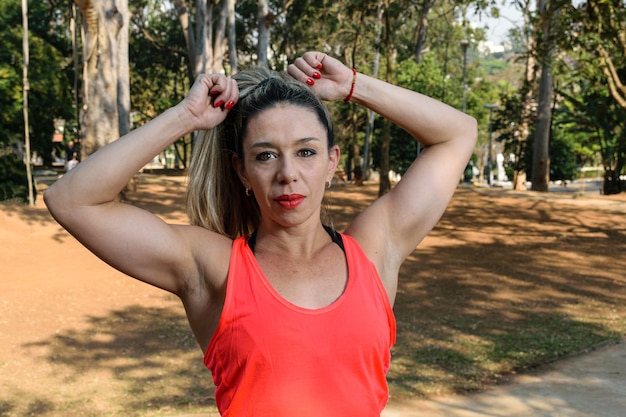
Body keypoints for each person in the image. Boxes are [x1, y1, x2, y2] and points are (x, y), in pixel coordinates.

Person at [44, 51, 477, 416]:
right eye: (266, 155)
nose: (288, 174)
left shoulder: (375, 250)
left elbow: (458, 134)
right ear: (242, 171)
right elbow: (72, 200)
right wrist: (186, 117)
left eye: (306, 152)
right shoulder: (212, 267)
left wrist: (352, 86)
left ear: (331, 163)